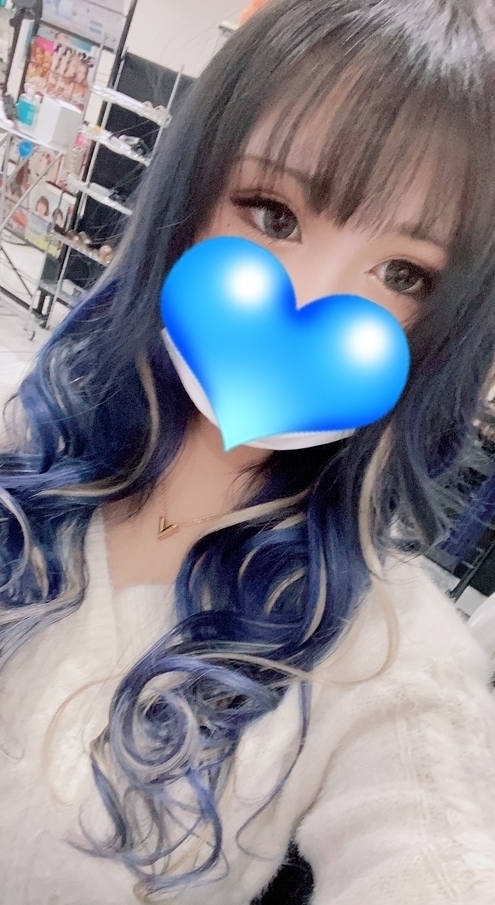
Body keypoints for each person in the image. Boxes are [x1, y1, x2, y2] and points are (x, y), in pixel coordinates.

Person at [1, 1, 495, 903]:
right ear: (188, 205)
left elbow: (430, 847)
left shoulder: (385, 648)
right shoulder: (22, 438)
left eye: (402, 275)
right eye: (272, 213)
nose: (307, 301)